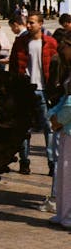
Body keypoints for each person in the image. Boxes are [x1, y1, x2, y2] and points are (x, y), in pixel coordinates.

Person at [9, 10, 58, 176]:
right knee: (25, 127)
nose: (28, 25)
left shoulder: (50, 43)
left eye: (32, 22)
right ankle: (24, 161)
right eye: (28, 22)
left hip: (44, 90)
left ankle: (52, 163)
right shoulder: (20, 42)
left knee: (48, 127)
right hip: (25, 89)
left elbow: (56, 67)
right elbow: (14, 66)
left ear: (40, 24)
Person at [49, 40, 71, 228]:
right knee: (64, 171)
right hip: (66, 127)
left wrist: (58, 120)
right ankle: (63, 212)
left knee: (68, 171)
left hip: (68, 126)